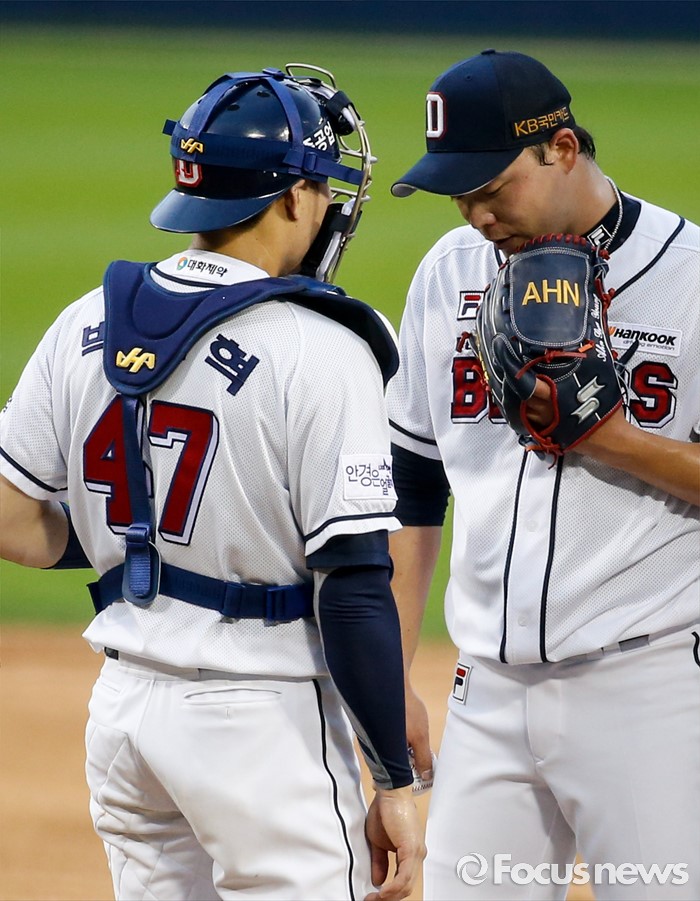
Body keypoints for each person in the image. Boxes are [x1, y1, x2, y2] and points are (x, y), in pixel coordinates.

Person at [0, 65, 424, 901]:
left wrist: (145, 537)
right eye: (321, 186)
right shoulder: (323, 346)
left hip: (124, 717)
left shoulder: (87, 318)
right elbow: (352, 588)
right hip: (263, 730)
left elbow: (11, 519)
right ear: (295, 197)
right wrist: (395, 782)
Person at [386, 49, 699, 900]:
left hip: (649, 692)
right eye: (459, 195)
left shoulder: (690, 276)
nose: (478, 215)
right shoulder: (448, 272)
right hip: (485, 693)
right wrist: (392, 679)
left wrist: (615, 439)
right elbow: (413, 482)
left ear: (562, 148)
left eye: (493, 189)